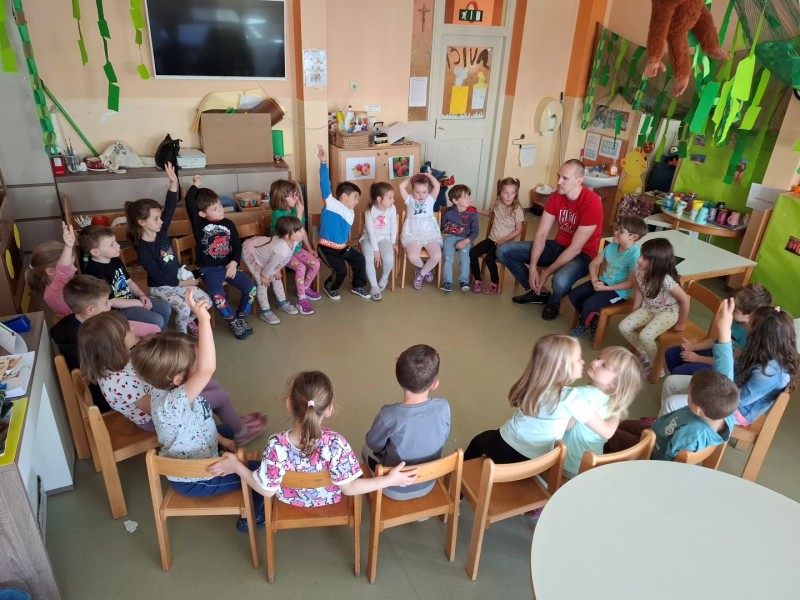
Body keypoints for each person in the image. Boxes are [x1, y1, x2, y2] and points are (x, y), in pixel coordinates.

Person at [131, 291, 267, 531]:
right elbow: (207, 369)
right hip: (198, 479)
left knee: (226, 429)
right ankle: (254, 516)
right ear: (177, 379)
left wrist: (221, 439)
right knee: (260, 473)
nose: (199, 362)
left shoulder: (161, 387)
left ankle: (228, 439)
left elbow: (197, 424)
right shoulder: (172, 404)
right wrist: (203, 320)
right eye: (194, 362)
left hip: (198, 445)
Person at [207, 371, 418, 513]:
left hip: (289, 500)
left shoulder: (275, 445)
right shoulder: (337, 443)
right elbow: (350, 487)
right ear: (330, 409)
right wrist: (390, 480)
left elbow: (267, 490)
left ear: (288, 403)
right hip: (329, 499)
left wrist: (237, 466)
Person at [83, 309, 267, 443]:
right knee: (220, 396)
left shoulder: (115, 360)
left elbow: (152, 334)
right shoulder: (120, 381)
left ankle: (232, 421)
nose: (132, 327)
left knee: (213, 385)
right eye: (127, 330)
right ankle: (240, 432)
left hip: (161, 395)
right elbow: (156, 411)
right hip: (157, 417)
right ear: (115, 345)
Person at [464, 335, 619, 464]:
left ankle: (455, 482)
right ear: (562, 366)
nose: (583, 362)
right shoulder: (571, 397)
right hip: (536, 461)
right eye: (578, 359)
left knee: (478, 441)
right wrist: (617, 410)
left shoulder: (534, 383)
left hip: (504, 444)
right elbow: (607, 432)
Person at [660, 299, 798, 425]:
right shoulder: (758, 348)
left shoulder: (770, 371)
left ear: (760, 336)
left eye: (750, 323)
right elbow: (732, 366)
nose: (746, 326)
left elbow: (739, 400)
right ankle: (668, 424)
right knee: (671, 382)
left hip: (735, 409)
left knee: (672, 403)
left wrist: (704, 393)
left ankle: (662, 433)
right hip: (725, 387)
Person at [496, 159, 603, 320]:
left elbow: (575, 248)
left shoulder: (592, 202)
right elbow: (541, 235)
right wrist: (533, 268)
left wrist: (546, 273)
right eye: (559, 176)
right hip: (558, 246)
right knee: (503, 251)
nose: (559, 182)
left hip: (582, 255)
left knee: (559, 281)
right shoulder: (555, 196)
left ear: (579, 180)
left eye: (565, 178)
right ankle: (539, 292)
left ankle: (553, 301)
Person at [28, 221, 159, 338]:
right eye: (71, 264)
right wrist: (68, 247)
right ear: (51, 271)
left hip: (97, 321)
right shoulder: (58, 287)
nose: (75, 269)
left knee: (153, 326)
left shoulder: (52, 290)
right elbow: (63, 270)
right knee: (154, 328)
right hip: (98, 327)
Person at [125, 162, 211, 335]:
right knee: (185, 308)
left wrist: (173, 182)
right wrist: (184, 283)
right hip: (161, 287)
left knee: (206, 301)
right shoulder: (143, 249)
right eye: (156, 219)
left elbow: (170, 207)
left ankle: (188, 321)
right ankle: (181, 335)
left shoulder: (161, 232)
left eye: (160, 217)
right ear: (142, 222)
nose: (161, 221)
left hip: (177, 279)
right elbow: (158, 276)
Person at [361, 344, 450, 501]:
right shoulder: (444, 406)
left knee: (365, 449)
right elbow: (443, 436)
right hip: (428, 482)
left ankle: (370, 489)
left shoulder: (389, 415)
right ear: (435, 384)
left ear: (399, 380)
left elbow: (374, 444)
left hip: (393, 488)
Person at [605, 368, 739, 461]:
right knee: (624, 425)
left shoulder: (692, 434)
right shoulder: (722, 413)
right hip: (657, 432)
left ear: (697, 409)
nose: (686, 394)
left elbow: (668, 461)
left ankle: (606, 464)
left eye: (688, 394)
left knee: (610, 435)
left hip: (652, 453)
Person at [185, 174, 257, 339]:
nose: (221, 210)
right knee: (218, 296)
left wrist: (234, 263)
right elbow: (189, 201)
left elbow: (237, 246)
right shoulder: (199, 223)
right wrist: (196, 184)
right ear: (202, 214)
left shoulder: (228, 223)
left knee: (251, 289)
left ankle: (241, 317)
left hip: (229, 266)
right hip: (209, 270)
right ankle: (233, 321)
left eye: (220, 205)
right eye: (215, 209)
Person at [562, 346, 642, 478]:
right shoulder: (615, 404)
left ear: (614, 384)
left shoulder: (580, 395)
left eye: (604, 365)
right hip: (590, 464)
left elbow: (564, 426)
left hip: (567, 463)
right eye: (598, 358)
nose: (595, 362)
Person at [618, 238, 690, 380]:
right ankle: (644, 351)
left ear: (657, 263)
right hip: (649, 307)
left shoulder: (665, 279)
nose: (639, 260)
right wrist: (635, 307)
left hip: (668, 312)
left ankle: (656, 367)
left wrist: (681, 322)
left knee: (646, 335)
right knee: (624, 326)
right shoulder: (639, 268)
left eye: (644, 258)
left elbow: (685, 300)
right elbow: (640, 289)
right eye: (641, 255)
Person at [665, 283, 772, 375]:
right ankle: (683, 383)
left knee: (680, 371)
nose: (729, 311)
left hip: (724, 367)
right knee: (671, 354)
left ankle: (686, 385)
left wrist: (698, 358)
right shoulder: (734, 320)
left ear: (750, 316)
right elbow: (715, 340)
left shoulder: (750, 335)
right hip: (715, 353)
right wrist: (693, 347)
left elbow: (728, 362)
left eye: (735, 310)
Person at [567, 215, 647, 339]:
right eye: (616, 228)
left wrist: (605, 288)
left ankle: (582, 325)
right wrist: (595, 280)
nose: (615, 232)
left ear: (633, 237)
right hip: (602, 282)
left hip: (618, 292)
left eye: (621, 231)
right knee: (574, 294)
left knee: (589, 304)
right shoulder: (612, 246)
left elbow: (630, 284)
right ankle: (594, 319)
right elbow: (593, 264)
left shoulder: (634, 256)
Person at [80, 224, 172, 330]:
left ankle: (161, 335)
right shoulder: (94, 271)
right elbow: (111, 301)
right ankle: (153, 337)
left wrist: (141, 295)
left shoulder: (115, 260)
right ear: (96, 252)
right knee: (157, 320)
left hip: (131, 299)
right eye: (111, 244)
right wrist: (138, 303)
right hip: (116, 310)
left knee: (165, 308)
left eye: (115, 241)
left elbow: (129, 282)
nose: (118, 245)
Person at [49, 274, 115, 412]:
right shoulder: (86, 340)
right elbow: (104, 368)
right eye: (106, 302)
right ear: (90, 310)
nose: (110, 304)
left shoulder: (73, 322)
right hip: (105, 395)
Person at [316, 144, 370, 300]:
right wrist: (323, 163)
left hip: (342, 247)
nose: (357, 201)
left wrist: (346, 246)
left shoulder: (350, 212)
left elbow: (343, 232)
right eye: (355, 197)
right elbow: (324, 184)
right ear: (344, 196)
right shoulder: (331, 203)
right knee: (341, 271)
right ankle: (329, 287)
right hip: (326, 249)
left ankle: (358, 286)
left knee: (359, 259)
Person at [241, 216, 306, 323]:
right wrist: (265, 276)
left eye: (301, 229)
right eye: (299, 231)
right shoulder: (281, 250)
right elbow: (271, 265)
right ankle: (265, 311)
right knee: (262, 283)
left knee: (276, 278)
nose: (303, 232)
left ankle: (282, 303)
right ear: (287, 236)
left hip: (268, 255)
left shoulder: (293, 241)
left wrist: (277, 269)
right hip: (252, 251)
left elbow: (283, 259)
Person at [268, 178, 322, 306]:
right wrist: (299, 213)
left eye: (296, 194)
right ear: (282, 198)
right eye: (293, 195)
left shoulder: (293, 210)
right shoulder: (277, 214)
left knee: (316, 263)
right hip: (283, 252)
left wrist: (310, 248)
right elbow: (292, 233)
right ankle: (301, 298)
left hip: (296, 249)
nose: (297, 198)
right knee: (301, 267)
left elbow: (301, 231)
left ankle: (305, 288)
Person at [469, 177, 524, 295]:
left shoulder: (517, 209)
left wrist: (504, 239)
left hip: (504, 242)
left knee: (489, 259)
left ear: (516, 194)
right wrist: (476, 210)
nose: (509, 196)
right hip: (491, 239)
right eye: (506, 193)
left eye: (512, 193)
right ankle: (477, 279)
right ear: (500, 193)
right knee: (472, 253)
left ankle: (495, 282)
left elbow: (519, 230)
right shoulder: (498, 203)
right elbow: (491, 213)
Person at [400, 172, 443, 290]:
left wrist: (428, 175)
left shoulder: (430, 199)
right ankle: (425, 268)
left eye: (424, 192)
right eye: (417, 192)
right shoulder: (409, 199)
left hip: (430, 233)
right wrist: (412, 178)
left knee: (437, 256)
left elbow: (437, 185)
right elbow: (401, 186)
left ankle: (421, 273)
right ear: (412, 190)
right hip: (413, 234)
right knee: (413, 256)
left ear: (428, 190)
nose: (421, 195)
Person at [359, 181, 398, 301]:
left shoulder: (392, 208)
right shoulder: (369, 212)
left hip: (384, 238)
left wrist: (393, 242)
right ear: (379, 199)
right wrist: (376, 251)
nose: (393, 200)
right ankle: (374, 286)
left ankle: (384, 278)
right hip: (368, 238)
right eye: (390, 198)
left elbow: (394, 226)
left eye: (392, 197)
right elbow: (371, 233)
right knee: (368, 257)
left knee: (389, 258)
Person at [439, 184, 479, 293]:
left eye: (468, 196)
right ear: (455, 200)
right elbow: (441, 227)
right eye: (465, 197)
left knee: (465, 257)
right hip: (450, 237)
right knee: (448, 256)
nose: (469, 199)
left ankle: (463, 281)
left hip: (465, 238)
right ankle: (448, 282)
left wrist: (466, 241)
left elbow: (475, 232)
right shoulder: (449, 212)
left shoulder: (472, 213)